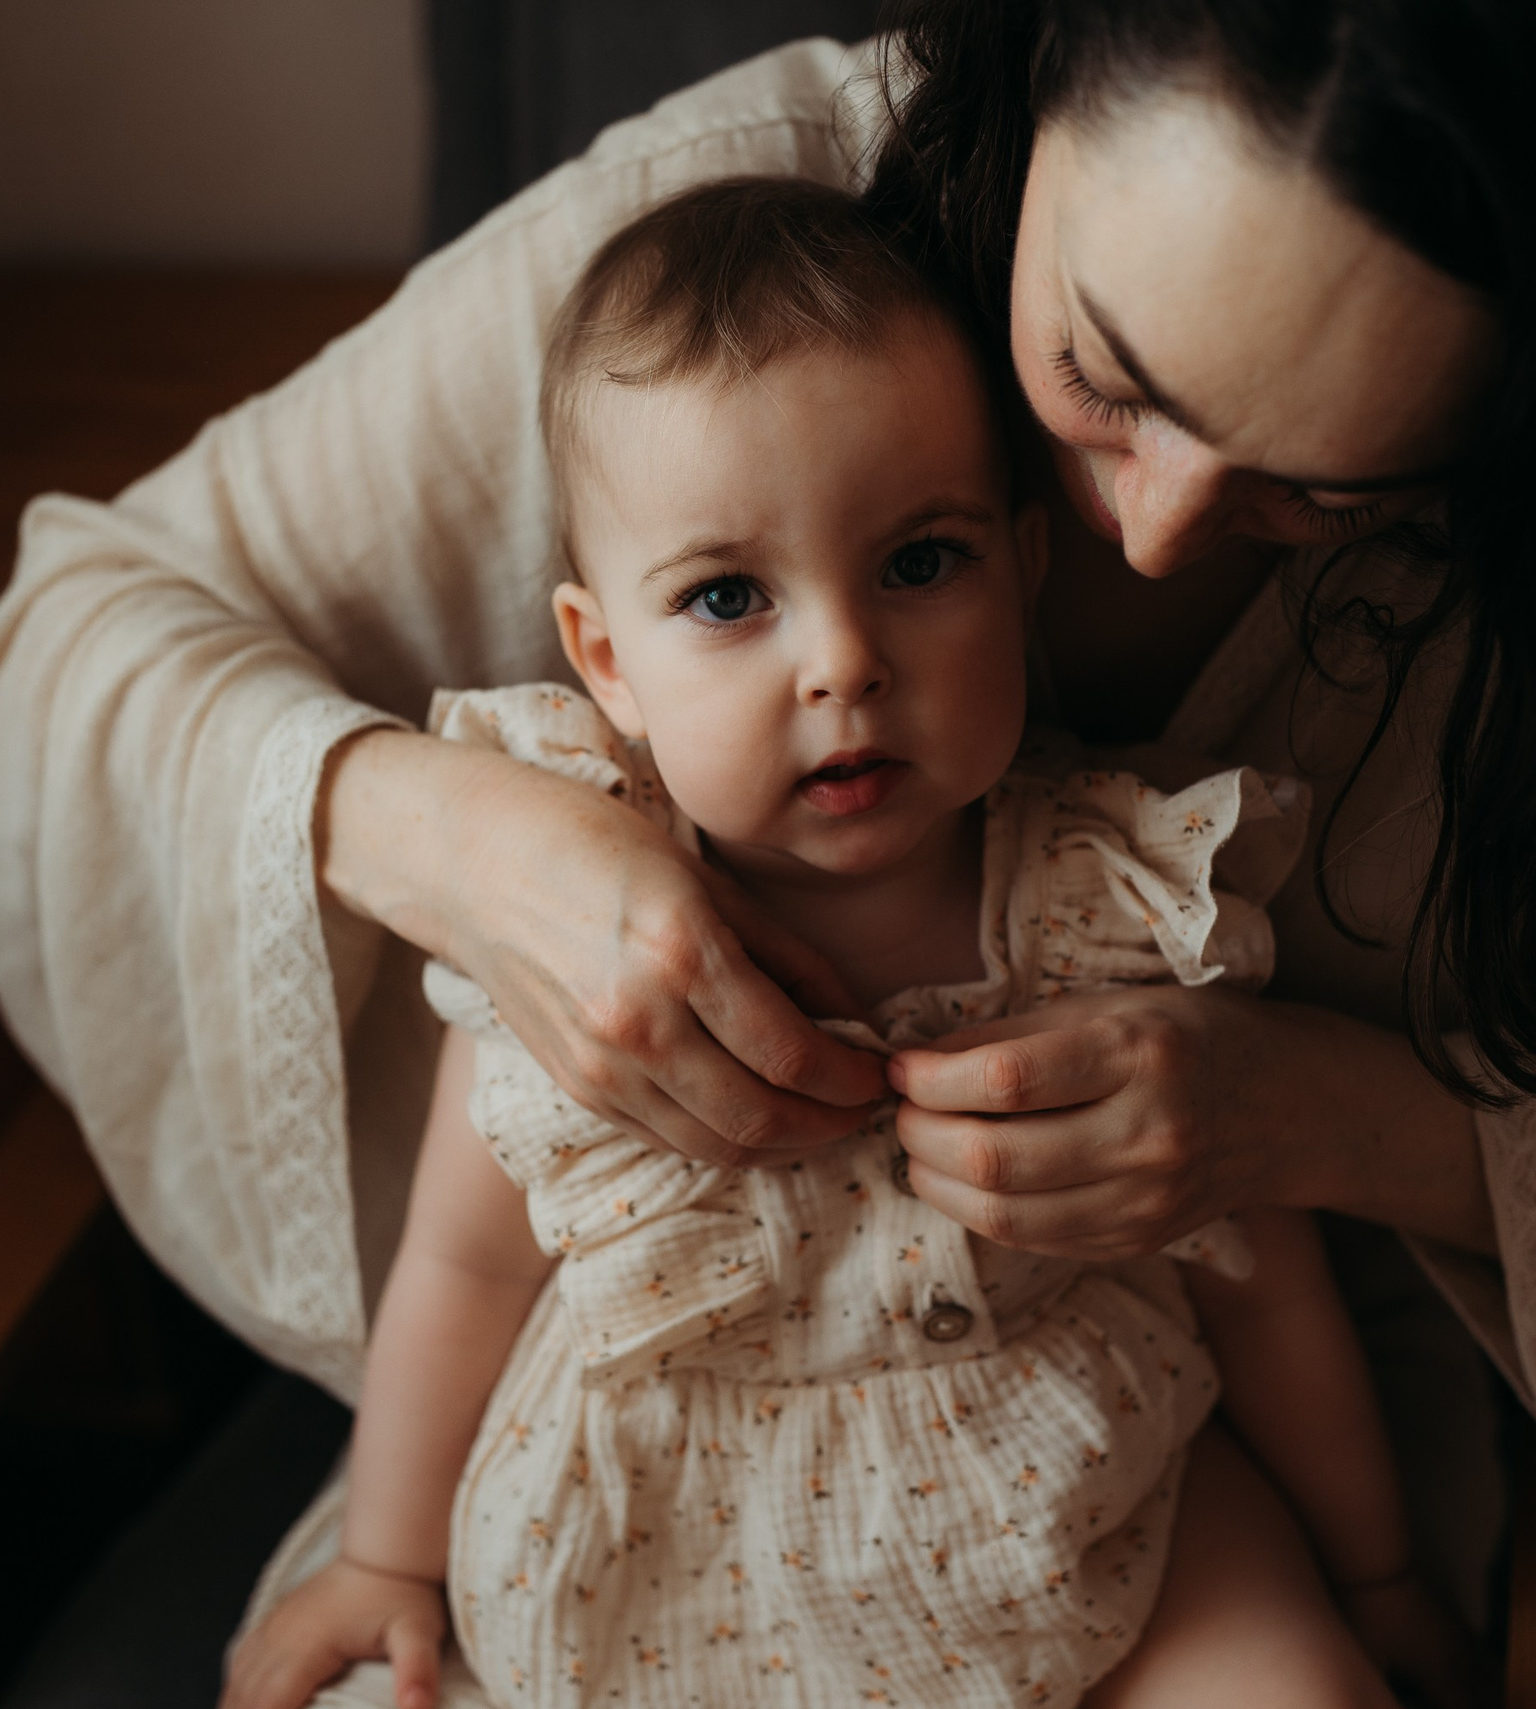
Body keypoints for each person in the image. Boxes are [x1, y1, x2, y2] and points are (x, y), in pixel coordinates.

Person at [0, 4, 1536, 1705]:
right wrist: (453, 842)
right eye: (1096, 379)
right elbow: (70, 652)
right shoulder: (729, 256)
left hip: (1120, 1465)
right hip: (659, 1479)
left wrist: (1301, 1123)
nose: (1146, 534)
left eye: (1321, 494)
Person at [219, 179, 1469, 1709]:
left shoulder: (1111, 904)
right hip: (681, 1542)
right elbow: (462, 1268)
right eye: (729, 596)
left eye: (920, 562)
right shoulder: (571, 932)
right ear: (605, 656)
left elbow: (1266, 1286)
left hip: (1085, 1488)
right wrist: (385, 1559)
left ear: (1024, 564)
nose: (844, 664)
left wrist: (1378, 1574)